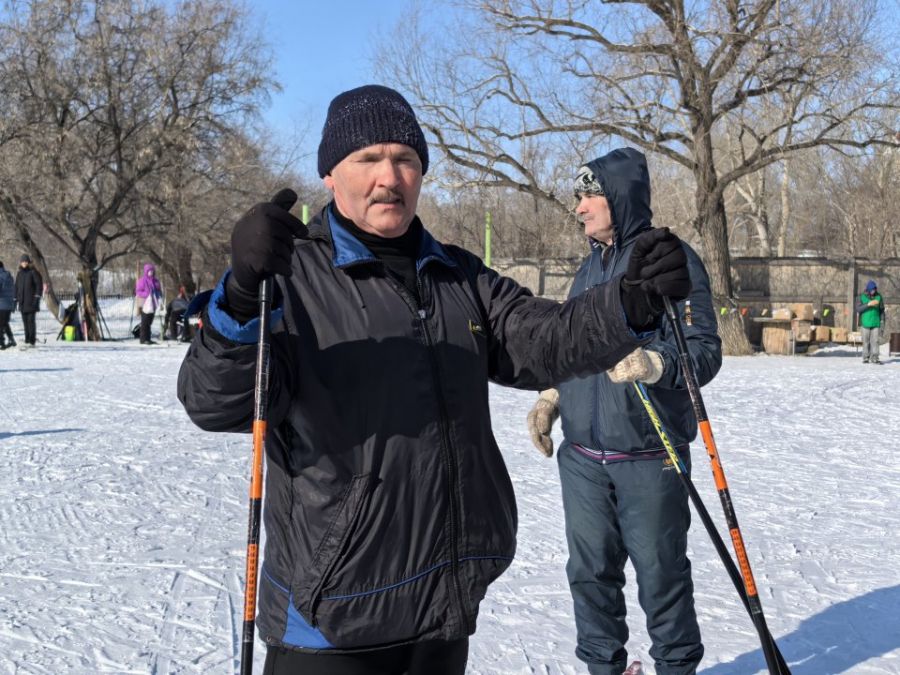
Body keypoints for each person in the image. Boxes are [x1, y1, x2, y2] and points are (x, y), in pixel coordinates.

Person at [177, 85, 691, 675]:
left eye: (405, 160)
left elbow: (548, 340)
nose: (388, 178)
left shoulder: (458, 274)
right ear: (330, 176)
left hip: (442, 606)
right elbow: (213, 403)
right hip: (330, 626)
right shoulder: (289, 278)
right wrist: (241, 295)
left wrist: (631, 302)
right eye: (367, 160)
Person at [526, 148, 722, 675]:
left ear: (619, 197)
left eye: (589, 195)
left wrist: (654, 364)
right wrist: (550, 395)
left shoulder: (670, 258)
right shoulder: (589, 268)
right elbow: (569, 344)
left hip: (649, 454)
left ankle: (676, 668)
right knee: (589, 576)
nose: (580, 208)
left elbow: (705, 350)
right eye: (578, 197)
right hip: (584, 457)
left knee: (661, 578)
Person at [14, 254, 42, 348]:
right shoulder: (19, 273)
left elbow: (39, 286)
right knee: (25, 322)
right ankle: (27, 339)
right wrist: (15, 299)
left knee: (31, 322)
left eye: (25, 261)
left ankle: (32, 340)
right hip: (22, 302)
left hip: (31, 302)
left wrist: (36, 298)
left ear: (28, 262)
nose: (24, 263)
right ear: (20, 263)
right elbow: (16, 287)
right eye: (22, 261)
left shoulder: (33, 272)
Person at [856, 279, 885, 364]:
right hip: (865, 323)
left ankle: (875, 357)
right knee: (866, 341)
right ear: (868, 290)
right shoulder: (861, 297)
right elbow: (858, 309)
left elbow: (882, 310)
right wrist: (868, 304)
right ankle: (865, 357)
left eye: (875, 289)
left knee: (875, 341)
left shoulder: (879, 297)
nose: (874, 291)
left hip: (876, 322)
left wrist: (882, 320)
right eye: (872, 289)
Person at [134, 263, 162, 345]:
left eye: (152, 271)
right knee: (145, 321)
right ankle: (143, 339)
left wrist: (158, 294)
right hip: (145, 303)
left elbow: (159, 290)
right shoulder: (142, 281)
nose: (151, 272)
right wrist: (146, 294)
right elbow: (138, 291)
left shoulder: (155, 281)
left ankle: (148, 338)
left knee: (149, 321)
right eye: (149, 271)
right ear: (146, 271)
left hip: (153, 303)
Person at [0, 261, 16, 349]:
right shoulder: (8, 276)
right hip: (9, 304)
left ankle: (1, 342)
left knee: (1, 324)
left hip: (1, 304)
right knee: (4, 323)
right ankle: (11, 339)